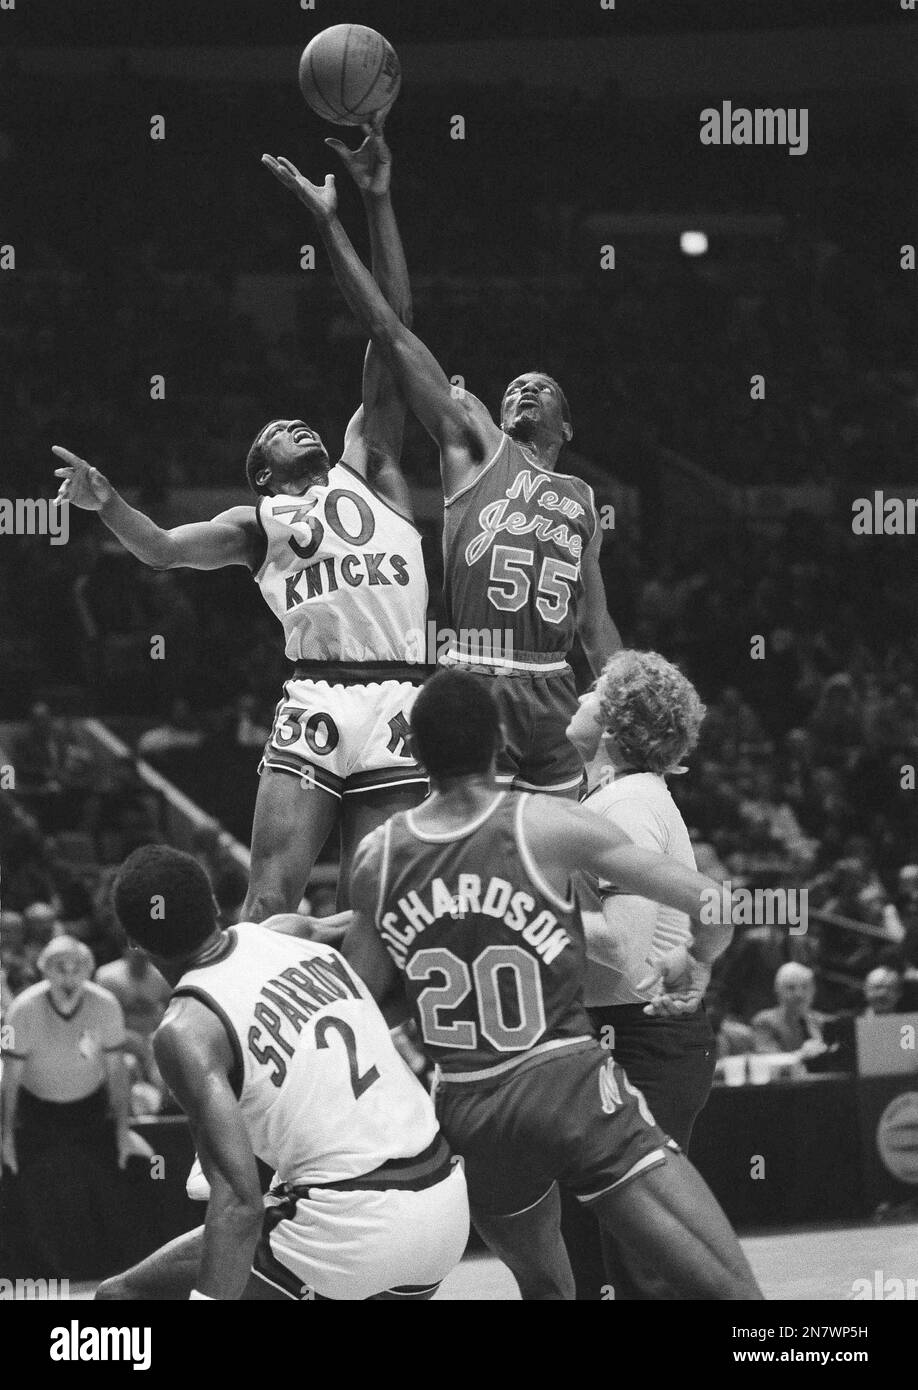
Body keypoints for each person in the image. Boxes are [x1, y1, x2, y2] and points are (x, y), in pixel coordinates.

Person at [52, 120, 427, 916]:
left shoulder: (376, 465)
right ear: (261, 471)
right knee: (270, 896)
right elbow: (158, 551)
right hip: (320, 696)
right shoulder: (256, 523)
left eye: (301, 422)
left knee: (379, 907)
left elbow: (390, 325)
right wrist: (107, 501)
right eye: (277, 431)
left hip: (401, 694)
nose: (299, 424)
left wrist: (370, 200)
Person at [342, 670, 762, 1300]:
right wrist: (706, 954)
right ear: (499, 744)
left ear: (414, 753)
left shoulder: (374, 859)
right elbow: (719, 905)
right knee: (728, 1291)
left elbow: (365, 1002)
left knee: (550, 1288)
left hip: (467, 1104)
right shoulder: (552, 824)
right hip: (565, 1082)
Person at [262, 149, 622, 798]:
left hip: (554, 684)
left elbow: (594, 625)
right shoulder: (475, 444)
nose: (524, 391)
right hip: (478, 677)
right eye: (514, 387)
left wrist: (628, 701)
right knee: (472, 849)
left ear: (568, 428)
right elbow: (388, 328)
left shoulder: (582, 499)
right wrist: (361, 208)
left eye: (542, 388)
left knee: (564, 864)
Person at [96, 844, 469, 1301]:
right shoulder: (289, 932)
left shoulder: (185, 1031)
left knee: (122, 1296)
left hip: (348, 1224)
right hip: (444, 1206)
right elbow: (392, 918)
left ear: (133, 941)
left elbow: (238, 1206)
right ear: (215, 905)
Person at [559, 650, 717, 1299]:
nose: (580, 695)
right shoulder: (617, 796)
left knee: (639, 1261)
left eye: (595, 689)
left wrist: (522, 918)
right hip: (632, 1035)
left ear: (619, 722)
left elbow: (622, 950)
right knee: (606, 1253)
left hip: (640, 1039)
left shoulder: (621, 805)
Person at [0, 936, 134, 1277]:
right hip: (35, 1113)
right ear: (44, 970)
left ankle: (115, 1275)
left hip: (91, 1109)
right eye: (60, 966)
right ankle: (35, 1277)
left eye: (78, 966)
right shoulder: (22, 1009)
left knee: (111, 1192)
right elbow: (9, 1078)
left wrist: (122, 1129)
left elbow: (118, 1072)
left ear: (89, 970)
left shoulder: (106, 1005)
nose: (69, 974)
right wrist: (5, 1136)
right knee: (26, 1195)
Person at [751, 962, 828, 1057]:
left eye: (805, 987)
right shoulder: (765, 1022)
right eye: (791, 988)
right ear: (778, 991)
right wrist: (802, 1055)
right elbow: (768, 1059)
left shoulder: (822, 1021)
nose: (799, 994)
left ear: (813, 990)